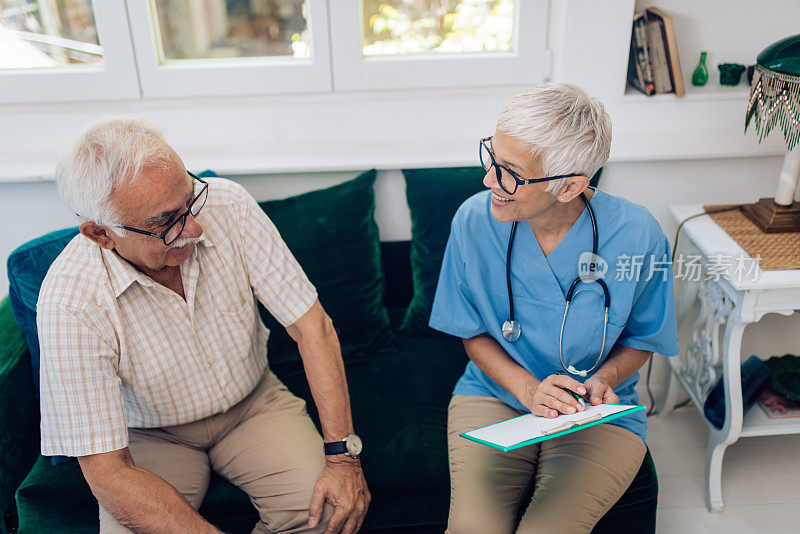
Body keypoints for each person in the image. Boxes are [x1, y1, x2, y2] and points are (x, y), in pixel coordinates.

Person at [37, 118, 369, 534]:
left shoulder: (229, 205)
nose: (193, 228)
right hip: (150, 436)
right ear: (101, 234)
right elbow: (107, 472)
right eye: (166, 222)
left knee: (331, 516)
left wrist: (342, 458)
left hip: (254, 406)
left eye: (191, 200)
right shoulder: (68, 301)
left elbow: (312, 327)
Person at [429, 82, 679, 533]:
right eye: (492, 158)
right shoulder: (473, 219)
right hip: (496, 394)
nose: (489, 181)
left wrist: (603, 381)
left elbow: (644, 339)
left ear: (570, 187)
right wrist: (528, 391)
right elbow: (473, 333)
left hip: (592, 409)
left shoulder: (639, 235)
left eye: (510, 173)